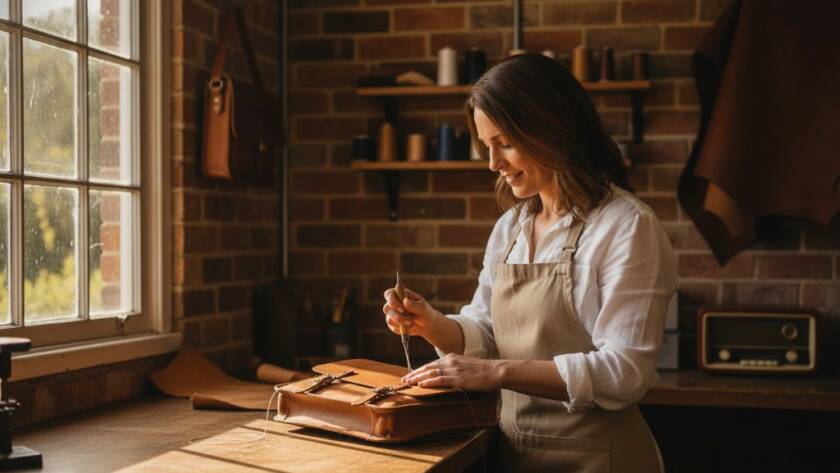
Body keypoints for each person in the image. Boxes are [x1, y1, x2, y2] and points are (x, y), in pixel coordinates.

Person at [382, 54, 677, 473]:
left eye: (504, 143)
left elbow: (625, 372)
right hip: (516, 456)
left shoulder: (626, 226)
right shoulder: (511, 228)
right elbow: (486, 332)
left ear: (551, 130)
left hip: (602, 459)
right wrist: (430, 323)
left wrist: (498, 372)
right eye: (486, 146)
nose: (493, 164)